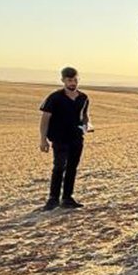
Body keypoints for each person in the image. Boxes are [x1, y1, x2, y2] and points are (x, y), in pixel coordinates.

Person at [39, 66, 90, 210]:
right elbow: (45, 118)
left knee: (72, 168)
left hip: (76, 138)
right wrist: (43, 139)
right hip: (59, 138)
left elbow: (84, 115)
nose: (73, 83)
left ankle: (67, 198)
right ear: (63, 80)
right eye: (69, 80)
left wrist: (86, 126)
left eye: (75, 80)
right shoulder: (55, 97)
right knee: (59, 167)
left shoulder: (83, 98)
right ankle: (53, 199)